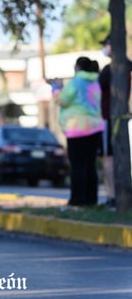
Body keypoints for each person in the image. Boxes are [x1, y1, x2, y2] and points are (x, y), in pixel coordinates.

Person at [56, 56, 103, 207]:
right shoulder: (95, 83)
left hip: (77, 128)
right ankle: (91, 200)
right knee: (90, 165)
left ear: (77, 67)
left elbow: (62, 100)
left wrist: (56, 88)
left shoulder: (76, 82)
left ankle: (77, 200)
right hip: (95, 128)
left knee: (77, 166)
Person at [97, 34, 132, 209]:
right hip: (120, 118)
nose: (105, 48)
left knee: (108, 159)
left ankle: (112, 196)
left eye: (107, 44)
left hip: (111, 119)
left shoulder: (110, 70)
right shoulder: (126, 66)